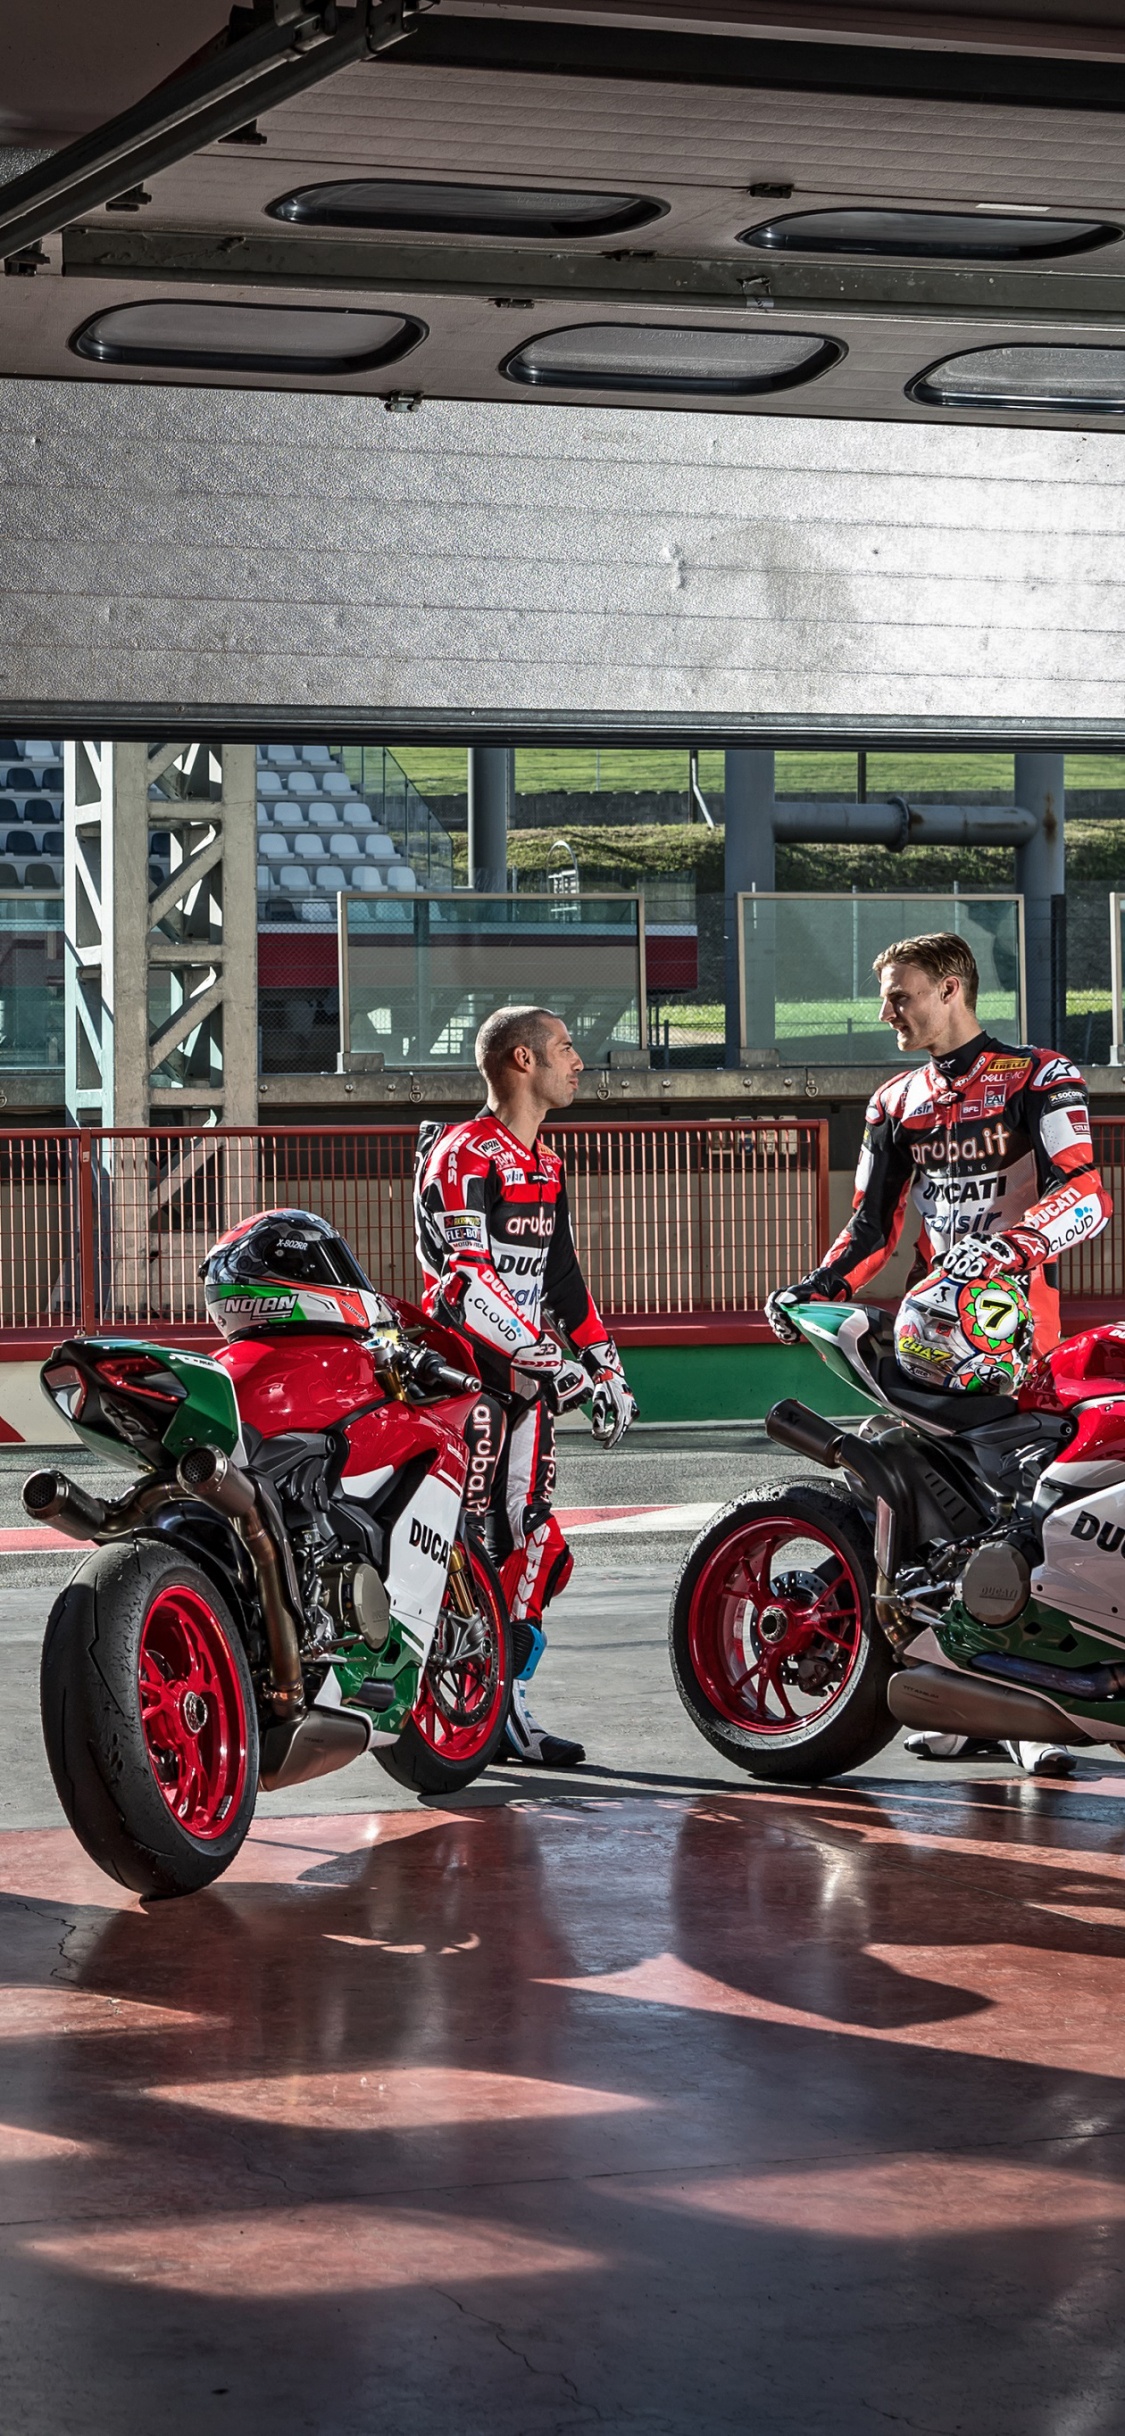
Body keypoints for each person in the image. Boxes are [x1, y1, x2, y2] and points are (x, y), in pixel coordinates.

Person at [766, 928, 1112, 1778]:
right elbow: (872, 1227)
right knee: (936, 1507)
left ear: (952, 988)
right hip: (929, 1333)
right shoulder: (894, 1101)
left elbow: (1086, 1193)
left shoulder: (1039, 1073)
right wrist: (814, 1289)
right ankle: (956, 1691)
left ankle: (1038, 1700)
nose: (887, 1010)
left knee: (1025, 1499)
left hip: (1016, 1327)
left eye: (901, 993)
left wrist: (1012, 1250)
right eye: (886, 995)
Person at [414, 1005, 637, 1767]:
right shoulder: (462, 1152)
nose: (578, 1062)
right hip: (462, 1385)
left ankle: (503, 1702)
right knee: (463, 1545)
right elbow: (462, 1282)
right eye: (565, 1049)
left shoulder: (546, 1161)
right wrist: (550, 1356)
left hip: (526, 1389)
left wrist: (605, 1362)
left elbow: (562, 1279)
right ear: (521, 1061)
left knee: (533, 1541)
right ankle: (441, 1709)